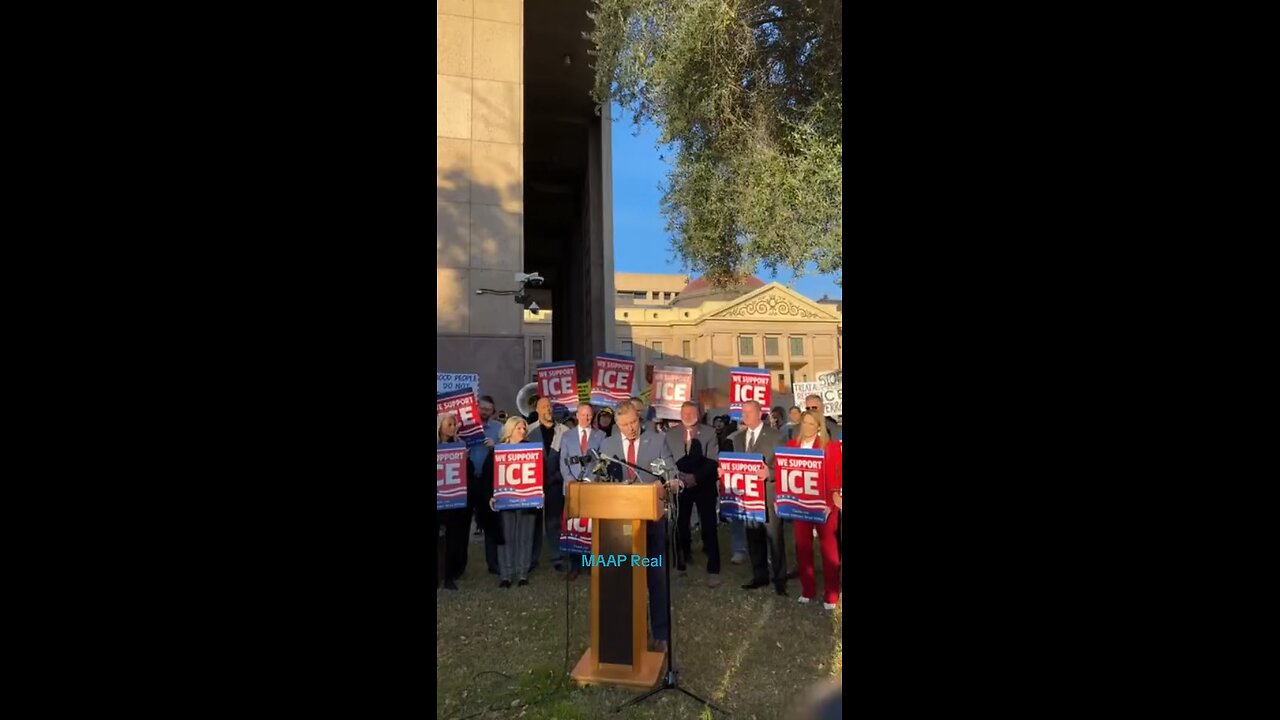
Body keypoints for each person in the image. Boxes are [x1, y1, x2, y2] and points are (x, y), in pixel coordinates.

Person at [600, 404, 679, 652]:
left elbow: (671, 472)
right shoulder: (608, 445)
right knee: (624, 578)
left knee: (655, 577)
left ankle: (660, 633)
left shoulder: (656, 441)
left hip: (651, 522)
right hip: (618, 526)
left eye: (634, 422)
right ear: (616, 424)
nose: (631, 428)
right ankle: (631, 630)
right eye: (624, 425)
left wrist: (670, 483)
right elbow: (600, 480)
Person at [783, 410, 842, 609]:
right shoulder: (791, 446)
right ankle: (808, 589)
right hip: (800, 506)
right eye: (804, 423)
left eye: (811, 424)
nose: (807, 427)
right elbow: (786, 474)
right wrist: (783, 499)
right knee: (803, 547)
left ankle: (832, 593)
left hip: (824, 505)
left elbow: (837, 475)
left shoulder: (830, 447)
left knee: (829, 550)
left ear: (819, 426)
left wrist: (833, 501)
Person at [661, 401, 722, 586]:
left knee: (709, 527)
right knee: (680, 525)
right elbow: (666, 458)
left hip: (703, 485)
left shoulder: (709, 432)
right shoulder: (669, 434)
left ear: (699, 414)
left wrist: (695, 477)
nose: (688, 416)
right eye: (684, 413)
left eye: (691, 412)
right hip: (679, 485)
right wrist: (678, 477)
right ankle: (681, 563)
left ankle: (713, 569)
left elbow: (713, 461)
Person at [731, 401, 788, 595]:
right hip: (748, 498)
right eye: (743, 412)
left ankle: (780, 579)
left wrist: (770, 473)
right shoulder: (737, 438)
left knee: (775, 539)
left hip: (769, 495)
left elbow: (785, 467)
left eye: (749, 412)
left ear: (759, 413)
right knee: (753, 537)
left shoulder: (776, 436)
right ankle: (760, 576)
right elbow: (736, 464)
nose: (745, 416)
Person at [486, 417, 537, 587]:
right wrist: (491, 496)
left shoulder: (533, 450)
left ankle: (522, 573)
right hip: (505, 501)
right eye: (519, 428)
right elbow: (488, 477)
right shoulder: (497, 451)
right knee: (506, 538)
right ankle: (506, 575)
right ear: (509, 431)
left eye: (524, 428)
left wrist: (539, 493)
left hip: (527, 501)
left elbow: (540, 474)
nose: (523, 431)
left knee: (525, 537)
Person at [560, 403, 605, 581]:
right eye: (583, 415)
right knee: (573, 527)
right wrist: (571, 481)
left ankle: (590, 564)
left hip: (591, 487)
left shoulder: (600, 436)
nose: (586, 418)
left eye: (589, 415)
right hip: (572, 488)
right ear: (577, 415)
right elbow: (563, 462)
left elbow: (601, 461)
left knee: (590, 527)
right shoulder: (567, 436)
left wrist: (589, 480)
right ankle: (574, 565)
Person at [526, 397, 568, 572]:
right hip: (534, 484)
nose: (548, 409)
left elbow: (567, 457)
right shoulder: (528, 431)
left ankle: (556, 555)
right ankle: (532, 558)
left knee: (554, 521)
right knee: (534, 522)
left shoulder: (564, 431)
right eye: (544, 407)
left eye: (550, 406)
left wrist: (558, 476)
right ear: (537, 410)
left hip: (555, 483)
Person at [437, 411, 476, 590]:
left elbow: (469, 473)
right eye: (449, 425)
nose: (453, 428)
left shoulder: (460, 445)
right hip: (439, 499)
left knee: (454, 538)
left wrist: (466, 460)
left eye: (454, 424)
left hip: (455, 500)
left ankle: (450, 574)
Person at [471, 395, 504, 574]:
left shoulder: (499, 429)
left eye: (488, 409)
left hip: (489, 481)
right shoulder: (465, 429)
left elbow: (508, 451)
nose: (484, 412)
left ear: (493, 410)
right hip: (469, 480)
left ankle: (493, 564)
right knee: (461, 523)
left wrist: (496, 445)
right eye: (482, 408)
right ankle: (459, 566)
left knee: (490, 522)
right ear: (476, 408)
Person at [714, 415, 748, 565]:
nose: (744, 426)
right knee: (737, 517)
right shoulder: (730, 440)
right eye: (741, 423)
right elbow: (724, 461)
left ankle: (760, 549)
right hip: (737, 484)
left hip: (756, 484)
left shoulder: (763, 436)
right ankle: (739, 549)